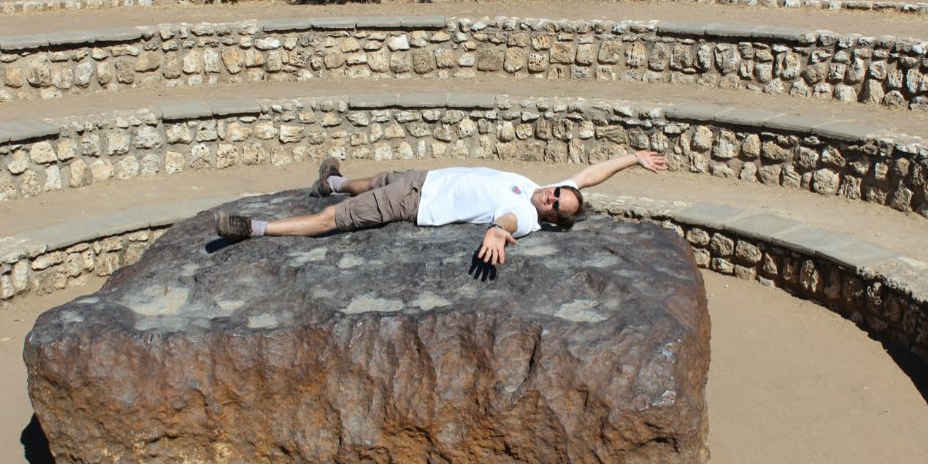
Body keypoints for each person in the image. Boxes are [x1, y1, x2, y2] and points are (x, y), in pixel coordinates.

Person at [214, 150, 668, 265]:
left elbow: (506, 222)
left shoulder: (526, 217)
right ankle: (331, 180)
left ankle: (255, 228)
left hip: (415, 202)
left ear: (550, 218)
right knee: (373, 178)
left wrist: (495, 234)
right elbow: (588, 176)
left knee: (335, 219)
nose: (551, 196)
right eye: (556, 193)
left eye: (555, 204)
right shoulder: (541, 187)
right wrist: (633, 159)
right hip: (425, 178)